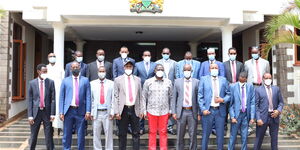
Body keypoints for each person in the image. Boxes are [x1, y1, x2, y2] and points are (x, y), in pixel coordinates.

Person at [59, 61, 91, 150]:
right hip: (68, 111)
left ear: (80, 68)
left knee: (81, 134)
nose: (75, 68)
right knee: (67, 133)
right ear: (70, 69)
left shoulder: (85, 80)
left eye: (77, 67)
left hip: (80, 111)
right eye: (73, 67)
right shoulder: (65, 81)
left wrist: (88, 111)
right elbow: (61, 97)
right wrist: (61, 112)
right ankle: (66, 148)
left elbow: (88, 96)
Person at [198, 63, 231, 150]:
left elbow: (229, 94)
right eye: (212, 68)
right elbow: (200, 96)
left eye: (216, 68)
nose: (214, 69)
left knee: (220, 135)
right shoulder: (203, 79)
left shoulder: (223, 80)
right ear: (209, 70)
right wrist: (203, 109)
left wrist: (223, 100)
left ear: (219, 69)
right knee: (205, 134)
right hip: (208, 111)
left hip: (220, 111)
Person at [113, 60, 143, 150]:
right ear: (124, 68)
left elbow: (140, 96)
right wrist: (116, 111)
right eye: (127, 67)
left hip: (135, 109)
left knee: (136, 133)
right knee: (122, 133)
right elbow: (115, 96)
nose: (129, 68)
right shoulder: (118, 80)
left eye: (130, 67)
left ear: (133, 68)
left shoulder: (138, 79)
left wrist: (141, 110)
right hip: (123, 109)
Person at [142, 64, 173, 150]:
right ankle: (152, 148)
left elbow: (171, 97)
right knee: (152, 132)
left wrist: (171, 110)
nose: (160, 71)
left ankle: (163, 148)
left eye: (161, 69)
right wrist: (144, 110)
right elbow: (144, 97)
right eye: (158, 69)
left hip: (164, 111)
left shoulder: (168, 82)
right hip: (152, 111)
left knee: (163, 132)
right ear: (155, 71)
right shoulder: (148, 82)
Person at [171, 64, 200, 150]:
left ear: (191, 71)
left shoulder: (197, 82)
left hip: (192, 111)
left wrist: (199, 113)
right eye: (185, 70)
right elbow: (174, 98)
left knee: (193, 134)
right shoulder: (177, 82)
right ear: (183, 71)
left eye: (188, 70)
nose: (187, 72)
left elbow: (199, 98)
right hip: (181, 112)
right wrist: (174, 111)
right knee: (180, 134)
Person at [27, 64, 55, 150]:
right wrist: (30, 115)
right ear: (38, 71)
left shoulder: (50, 82)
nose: (45, 73)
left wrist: (52, 114)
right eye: (44, 71)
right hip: (36, 112)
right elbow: (30, 100)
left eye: (46, 71)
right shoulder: (32, 83)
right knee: (33, 135)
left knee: (49, 135)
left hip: (47, 112)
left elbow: (53, 99)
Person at [254, 73, 284, 150]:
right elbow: (256, 105)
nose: (268, 80)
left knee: (274, 140)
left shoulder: (276, 89)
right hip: (262, 117)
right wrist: (258, 118)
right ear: (263, 79)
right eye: (266, 78)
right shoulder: (258, 90)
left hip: (274, 117)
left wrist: (278, 111)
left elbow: (281, 102)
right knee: (259, 139)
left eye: (269, 78)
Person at [228, 72, 255, 150]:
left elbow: (252, 103)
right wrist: (232, 116)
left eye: (244, 77)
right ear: (238, 77)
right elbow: (230, 104)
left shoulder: (250, 86)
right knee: (233, 135)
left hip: (245, 114)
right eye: (241, 76)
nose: (242, 78)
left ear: (246, 78)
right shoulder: (233, 86)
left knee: (245, 135)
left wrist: (252, 117)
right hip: (236, 115)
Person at [90, 66, 114, 150]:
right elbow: (91, 99)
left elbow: (113, 98)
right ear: (97, 72)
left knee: (109, 134)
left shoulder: (111, 83)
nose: (102, 73)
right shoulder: (92, 84)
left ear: (106, 72)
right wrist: (91, 112)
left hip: (107, 112)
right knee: (96, 134)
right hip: (96, 112)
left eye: (103, 71)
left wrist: (112, 111)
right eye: (100, 71)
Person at [133, 50, 156, 134]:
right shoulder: (137, 64)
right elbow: (135, 76)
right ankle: (141, 127)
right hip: (141, 89)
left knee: (151, 108)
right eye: (145, 55)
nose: (147, 56)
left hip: (152, 90)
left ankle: (152, 128)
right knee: (141, 108)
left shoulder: (154, 65)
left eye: (148, 55)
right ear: (142, 56)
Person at [156, 47, 177, 134]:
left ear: (170, 54)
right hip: (160, 87)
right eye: (164, 53)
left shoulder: (175, 63)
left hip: (171, 87)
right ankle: (159, 127)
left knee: (172, 106)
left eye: (167, 53)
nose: (166, 55)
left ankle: (170, 126)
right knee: (160, 106)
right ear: (161, 54)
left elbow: (176, 75)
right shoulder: (157, 63)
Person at [223, 47, 245, 135]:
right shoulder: (224, 64)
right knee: (226, 107)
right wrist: (229, 84)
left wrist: (237, 84)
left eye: (234, 53)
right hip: (227, 89)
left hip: (238, 89)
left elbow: (243, 75)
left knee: (237, 107)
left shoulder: (240, 64)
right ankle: (224, 127)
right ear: (228, 54)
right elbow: (223, 76)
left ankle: (237, 127)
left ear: (236, 54)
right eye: (231, 53)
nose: (232, 55)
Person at [46, 53, 65, 136]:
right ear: (48, 58)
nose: (52, 58)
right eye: (50, 56)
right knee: (49, 110)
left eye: (54, 56)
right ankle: (51, 129)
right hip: (48, 92)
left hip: (58, 91)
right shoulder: (46, 68)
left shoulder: (60, 68)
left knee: (59, 109)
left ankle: (61, 128)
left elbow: (63, 80)